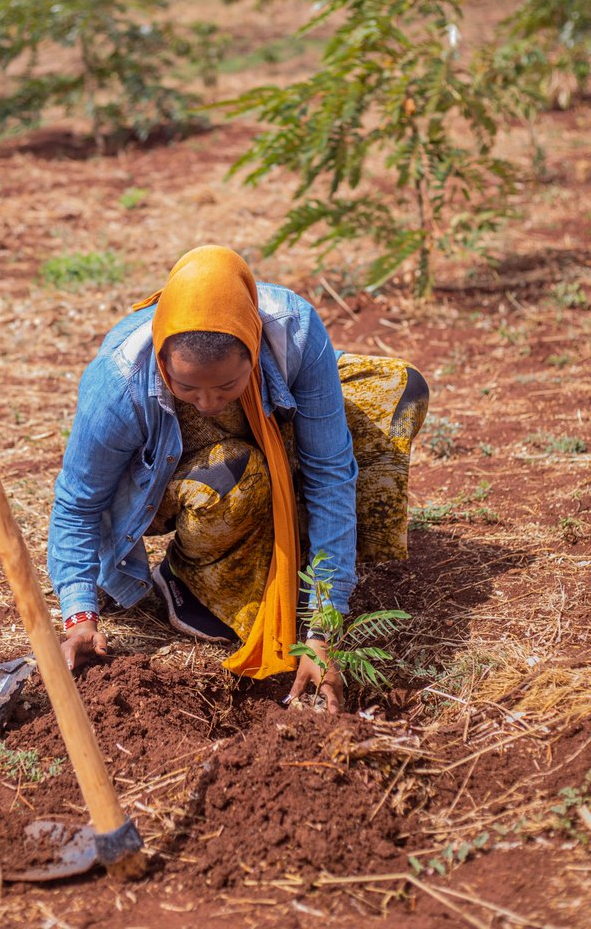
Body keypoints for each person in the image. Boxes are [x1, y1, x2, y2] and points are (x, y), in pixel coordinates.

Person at [47, 245, 428, 712]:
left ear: (252, 349)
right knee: (234, 474)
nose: (206, 401)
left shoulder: (294, 332)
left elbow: (331, 472)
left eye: (227, 386)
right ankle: (189, 581)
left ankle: (305, 550)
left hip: (263, 429)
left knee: (391, 393)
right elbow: (78, 503)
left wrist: (321, 626)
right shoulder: (120, 380)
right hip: (173, 479)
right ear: (164, 362)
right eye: (186, 387)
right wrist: (80, 616)